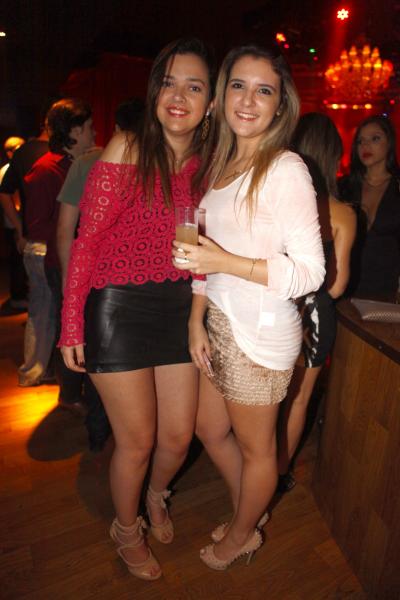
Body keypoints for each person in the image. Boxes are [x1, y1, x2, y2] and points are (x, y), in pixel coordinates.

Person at [59, 38, 214, 580]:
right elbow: (87, 241)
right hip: (118, 308)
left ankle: (156, 494)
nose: (179, 96)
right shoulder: (128, 147)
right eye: (169, 83)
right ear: (154, 93)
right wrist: (71, 323)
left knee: (177, 437)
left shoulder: (206, 164)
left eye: (194, 86)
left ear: (210, 103)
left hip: (176, 309)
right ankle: (126, 528)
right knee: (138, 440)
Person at [172, 44, 325, 570]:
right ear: (221, 94)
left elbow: (311, 272)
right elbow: (202, 253)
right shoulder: (218, 165)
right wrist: (196, 318)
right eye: (238, 85)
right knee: (209, 430)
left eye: (264, 90)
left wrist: (224, 260)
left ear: (280, 105)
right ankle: (249, 512)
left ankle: (241, 535)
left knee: (259, 449)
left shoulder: (285, 169)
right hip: (218, 321)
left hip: (260, 334)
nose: (248, 100)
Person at [56, 98, 144, 451]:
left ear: (119, 128)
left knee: (99, 366)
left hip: (101, 286)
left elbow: (67, 230)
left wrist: (70, 291)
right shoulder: (167, 162)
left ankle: (97, 434)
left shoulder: (88, 162)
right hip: (138, 291)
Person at [277, 112, 356, 492]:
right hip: (313, 315)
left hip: (274, 306)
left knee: (266, 397)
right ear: (333, 155)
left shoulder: (277, 201)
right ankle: (277, 475)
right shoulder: (342, 213)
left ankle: (253, 467)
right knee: (298, 400)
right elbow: (337, 287)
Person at [20, 98, 95, 391]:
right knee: (54, 319)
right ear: (74, 131)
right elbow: (37, 225)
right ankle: (62, 388)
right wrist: (77, 233)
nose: (94, 133)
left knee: (58, 318)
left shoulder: (75, 165)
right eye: (89, 127)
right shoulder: (46, 169)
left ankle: (65, 384)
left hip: (64, 255)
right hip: (53, 257)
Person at [338, 115, 400, 301]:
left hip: (388, 290)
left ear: (389, 142)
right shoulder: (344, 187)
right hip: (346, 289)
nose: (365, 146)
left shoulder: (397, 187)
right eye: (360, 141)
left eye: (375, 138)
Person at [0, 136, 27, 315]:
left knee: (21, 260)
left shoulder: (15, 167)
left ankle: (20, 293)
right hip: (14, 221)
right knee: (17, 260)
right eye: (19, 148)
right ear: (9, 152)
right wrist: (18, 223)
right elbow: (7, 197)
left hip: (18, 220)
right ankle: (18, 296)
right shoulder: (7, 170)